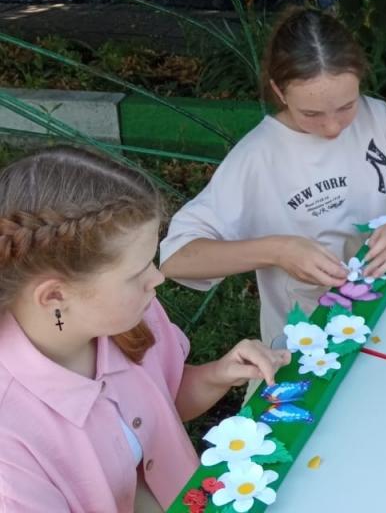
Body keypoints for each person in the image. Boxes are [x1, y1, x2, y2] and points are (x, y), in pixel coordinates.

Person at [160, 7, 386, 344]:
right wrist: (278, 250)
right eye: (311, 113)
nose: (332, 127)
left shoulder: (375, 119)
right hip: (305, 342)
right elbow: (177, 259)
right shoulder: (258, 157)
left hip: (381, 315)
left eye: (346, 107)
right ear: (279, 92)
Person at [0, 146, 290, 512]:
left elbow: (164, 403)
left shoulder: (131, 314)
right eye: (136, 273)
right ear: (55, 296)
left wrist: (219, 374)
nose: (158, 278)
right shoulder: (9, 444)